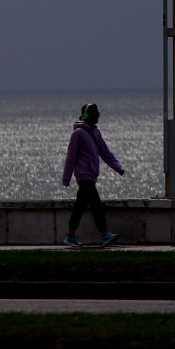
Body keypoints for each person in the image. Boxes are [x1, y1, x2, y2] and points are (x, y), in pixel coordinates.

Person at [61, 101, 125, 248]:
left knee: (80, 206)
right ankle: (105, 234)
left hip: (92, 176)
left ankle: (70, 235)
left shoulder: (96, 133)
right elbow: (71, 157)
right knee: (95, 204)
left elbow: (105, 152)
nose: (98, 115)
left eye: (98, 112)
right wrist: (66, 178)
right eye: (96, 113)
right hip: (84, 176)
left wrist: (118, 167)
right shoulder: (78, 134)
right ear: (86, 115)